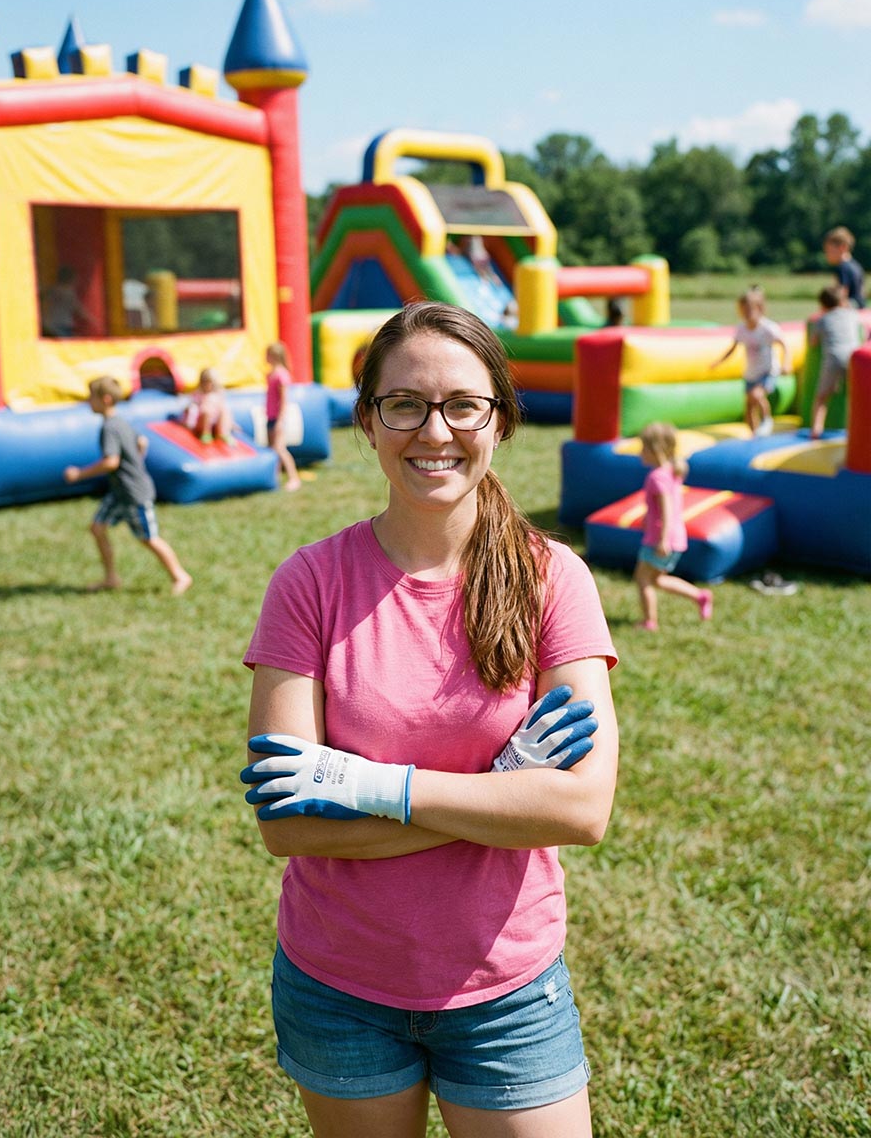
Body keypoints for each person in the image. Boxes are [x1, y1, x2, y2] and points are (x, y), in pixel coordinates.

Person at [239, 300, 619, 1137]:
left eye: (462, 405)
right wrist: (499, 796)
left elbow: (581, 809)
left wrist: (363, 785)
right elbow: (288, 829)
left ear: (501, 418)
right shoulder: (307, 584)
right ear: (369, 422)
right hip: (339, 986)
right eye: (404, 404)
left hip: (508, 990)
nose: (433, 430)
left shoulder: (553, 579)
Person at [63, 376, 192, 595]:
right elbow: (142, 442)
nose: (88, 402)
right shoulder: (120, 421)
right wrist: (135, 461)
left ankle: (180, 576)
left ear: (105, 399)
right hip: (120, 492)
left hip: (134, 493)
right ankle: (111, 577)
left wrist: (79, 474)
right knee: (97, 528)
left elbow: (111, 461)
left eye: (91, 397)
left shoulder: (110, 427)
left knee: (149, 538)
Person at [634, 421, 712, 632]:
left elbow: (667, 510)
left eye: (643, 448)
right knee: (658, 579)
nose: (640, 452)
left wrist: (662, 539)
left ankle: (649, 622)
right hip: (676, 537)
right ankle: (700, 596)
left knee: (642, 579)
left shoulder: (657, 477)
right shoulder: (671, 471)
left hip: (661, 538)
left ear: (655, 450)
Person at [709, 285, 790, 436]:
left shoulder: (768, 328)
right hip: (751, 373)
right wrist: (719, 362)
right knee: (749, 407)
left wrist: (786, 362)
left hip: (768, 370)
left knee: (757, 395)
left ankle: (767, 419)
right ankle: (754, 436)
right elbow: (733, 348)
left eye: (750, 310)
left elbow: (784, 344)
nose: (747, 314)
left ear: (760, 309)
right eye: (743, 311)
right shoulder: (742, 328)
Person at [808, 285, 864, 439]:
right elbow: (862, 334)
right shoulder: (852, 315)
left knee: (821, 397)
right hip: (853, 359)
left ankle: (815, 430)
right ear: (842, 302)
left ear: (822, 305)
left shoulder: (822, 319)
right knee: (856, 397)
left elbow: (813, 342)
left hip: (833, 359)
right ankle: (857, 430)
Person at [265, 343, 302, 492]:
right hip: (270, 416)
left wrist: (280, 420)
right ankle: (275, 478)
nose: (265, 357)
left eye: (267, 354)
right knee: (273, 450)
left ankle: (294, 478)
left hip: (278, 418)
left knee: (280, 449)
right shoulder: (271, 373)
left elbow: (284, 399)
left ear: (273, 356)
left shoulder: (281, 375)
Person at [180, 367, 234, 445]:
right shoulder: (198, 394)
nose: (209, 385)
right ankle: (206, 433)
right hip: (201, 422)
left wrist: (231, 423)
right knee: (207, 411)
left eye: (212, 383)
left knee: (224, 410)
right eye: (206, 383)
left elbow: (224, 411)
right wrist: (188, 423)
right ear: (201, 383)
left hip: (214, 423)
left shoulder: (218, 395)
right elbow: (192, 409)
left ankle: (222, 433)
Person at [40, 265, 97, 338]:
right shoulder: (68, 293)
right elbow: (78, 309)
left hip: (50, 325)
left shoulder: (52, 290)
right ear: (71, 279)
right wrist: (92, 320)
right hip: (63, 325)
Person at [822, 226, 865, 309]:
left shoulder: (842, 267)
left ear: (843, 247)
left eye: (829, 250)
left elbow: (841, 294)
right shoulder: (856, 265)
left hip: (851, 308)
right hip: (861, 307)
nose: (827, 255)